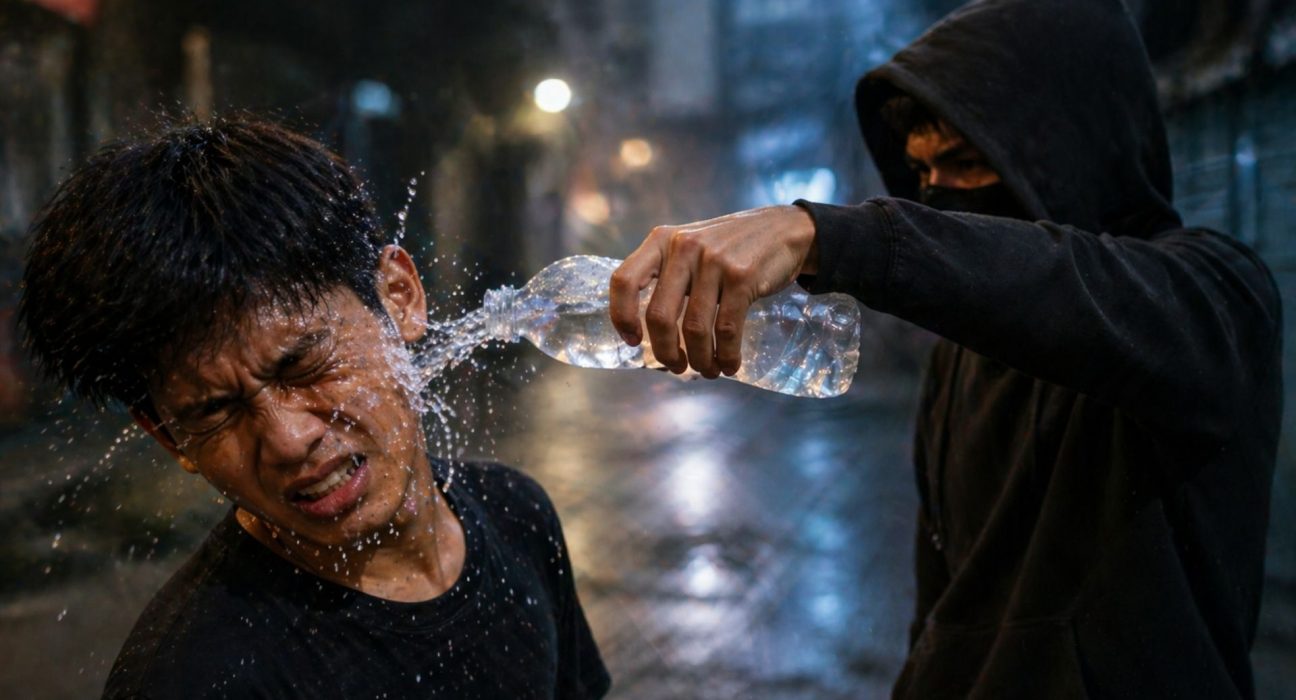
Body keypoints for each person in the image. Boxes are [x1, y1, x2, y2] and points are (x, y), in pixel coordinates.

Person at [610, 0, 1281, 697]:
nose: (938, 194)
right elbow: (943, 618)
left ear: (1068, 148)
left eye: (965, 163)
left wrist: (829, 236)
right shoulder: (961, 359)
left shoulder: (1216, 300)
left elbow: (1066, 287)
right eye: (922, 171)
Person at [19, 117, 610, 699]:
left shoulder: (519, 518)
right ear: (171, 438)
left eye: (303, 365)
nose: (286, 439)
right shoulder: (200, 677)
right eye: (216, 411)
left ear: (398, 297)